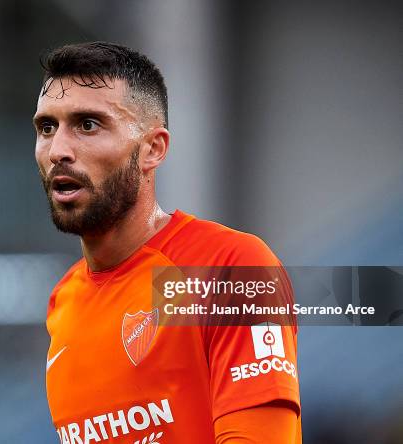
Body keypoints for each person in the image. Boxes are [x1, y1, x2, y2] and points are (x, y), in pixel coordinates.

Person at [33, 41, 301, 444]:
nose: (58, 150)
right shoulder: (63, 301)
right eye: (46, 128)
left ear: (152, 149)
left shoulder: (227, 268)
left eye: (88, 124)